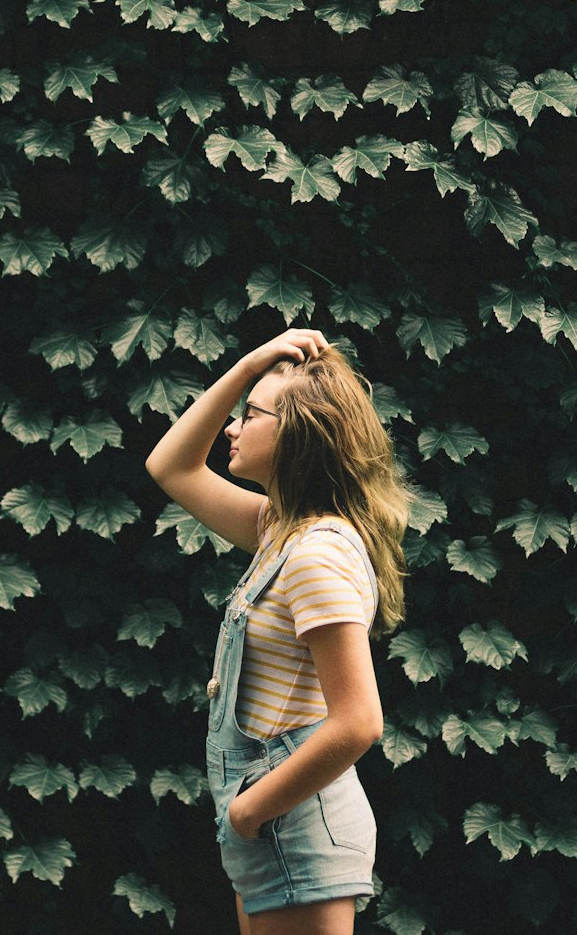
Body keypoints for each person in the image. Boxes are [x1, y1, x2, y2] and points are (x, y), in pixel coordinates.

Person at [145, 328, 410, 935]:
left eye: (252, 415)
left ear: (300, 433)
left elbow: (359, 721)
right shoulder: (280, 530)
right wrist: (248, 367)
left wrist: (248, 812)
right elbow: (172, 466)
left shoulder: (317, 552)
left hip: (288, 824)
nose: (232, 429)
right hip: (273, 825)